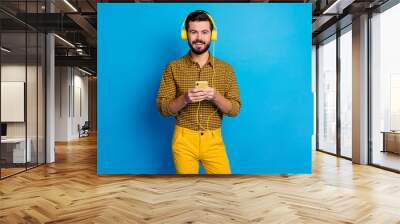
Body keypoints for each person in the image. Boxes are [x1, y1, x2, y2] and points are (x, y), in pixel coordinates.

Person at [156, 10, 241, 174]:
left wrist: (216, 96)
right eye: (193, 32)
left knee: (222, 191)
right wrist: (185, 98)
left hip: (214, 140)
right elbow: (163, 109)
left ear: (212, 35)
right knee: (187, 192)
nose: (199, 38)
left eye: (204, 32)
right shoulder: (173, 67)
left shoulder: (225, 69)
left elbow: (235, 109)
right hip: (183, 140)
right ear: (185, 34)